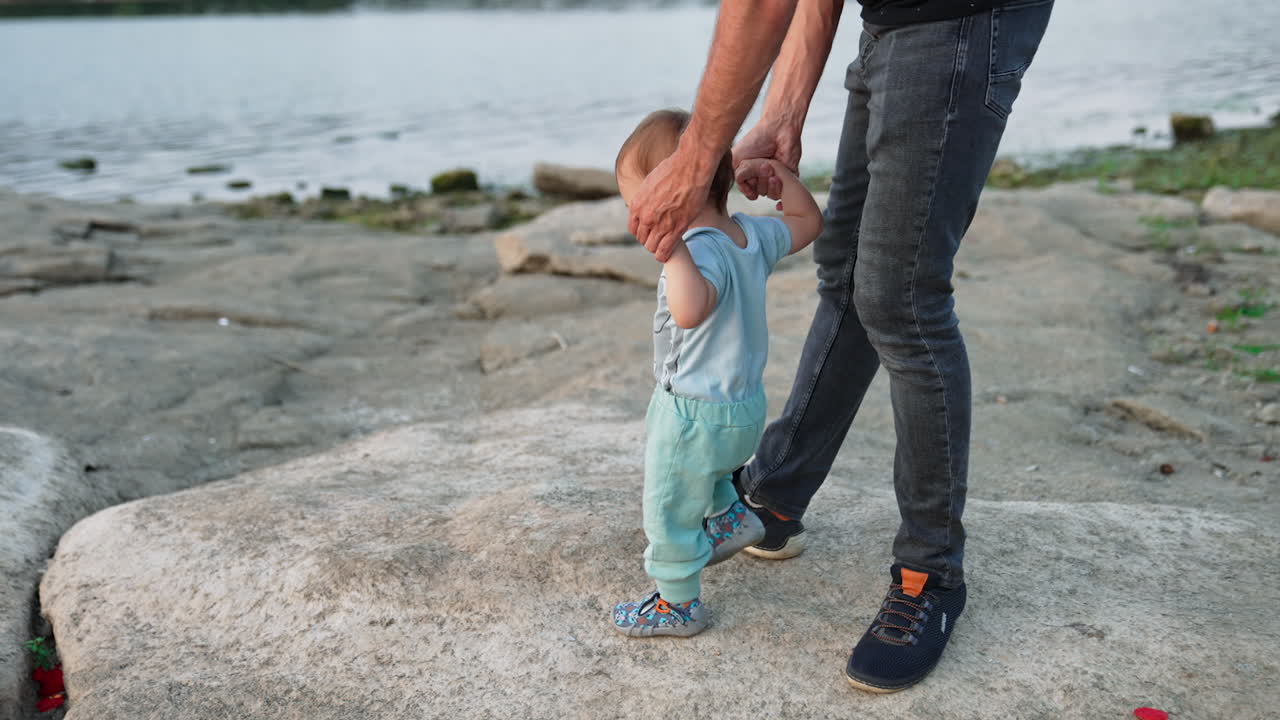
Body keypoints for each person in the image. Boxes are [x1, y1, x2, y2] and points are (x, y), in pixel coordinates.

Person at [626, 0, 1054, 692]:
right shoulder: (742, 239)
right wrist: (787, 112)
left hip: (962, 18)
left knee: (901, 296)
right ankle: (776, 497)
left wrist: (697, 156)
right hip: (891, 24)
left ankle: (929, 573)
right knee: (851, 277)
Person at [610, 108, 822, 637]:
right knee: (705, 478)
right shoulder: (747, 234)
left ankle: (676, 603)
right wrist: (784, 180)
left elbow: (690, 310)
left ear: (670, 195)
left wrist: (672, 250)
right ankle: (730, 519)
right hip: (744, 411)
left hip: (691, 413)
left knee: (668, 506)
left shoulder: (697, 251)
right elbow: (806, 224)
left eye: (636, 198)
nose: (634, 212)